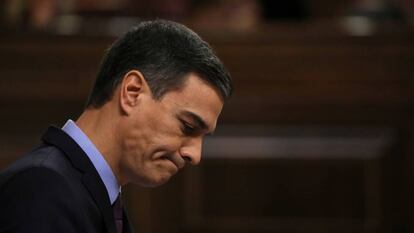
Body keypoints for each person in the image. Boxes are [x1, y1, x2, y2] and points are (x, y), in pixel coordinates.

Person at [0, 20, 232, 233]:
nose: (195, 155)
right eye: (188, 126)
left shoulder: (96, 196)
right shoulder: (42, 188)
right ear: (132, 92)